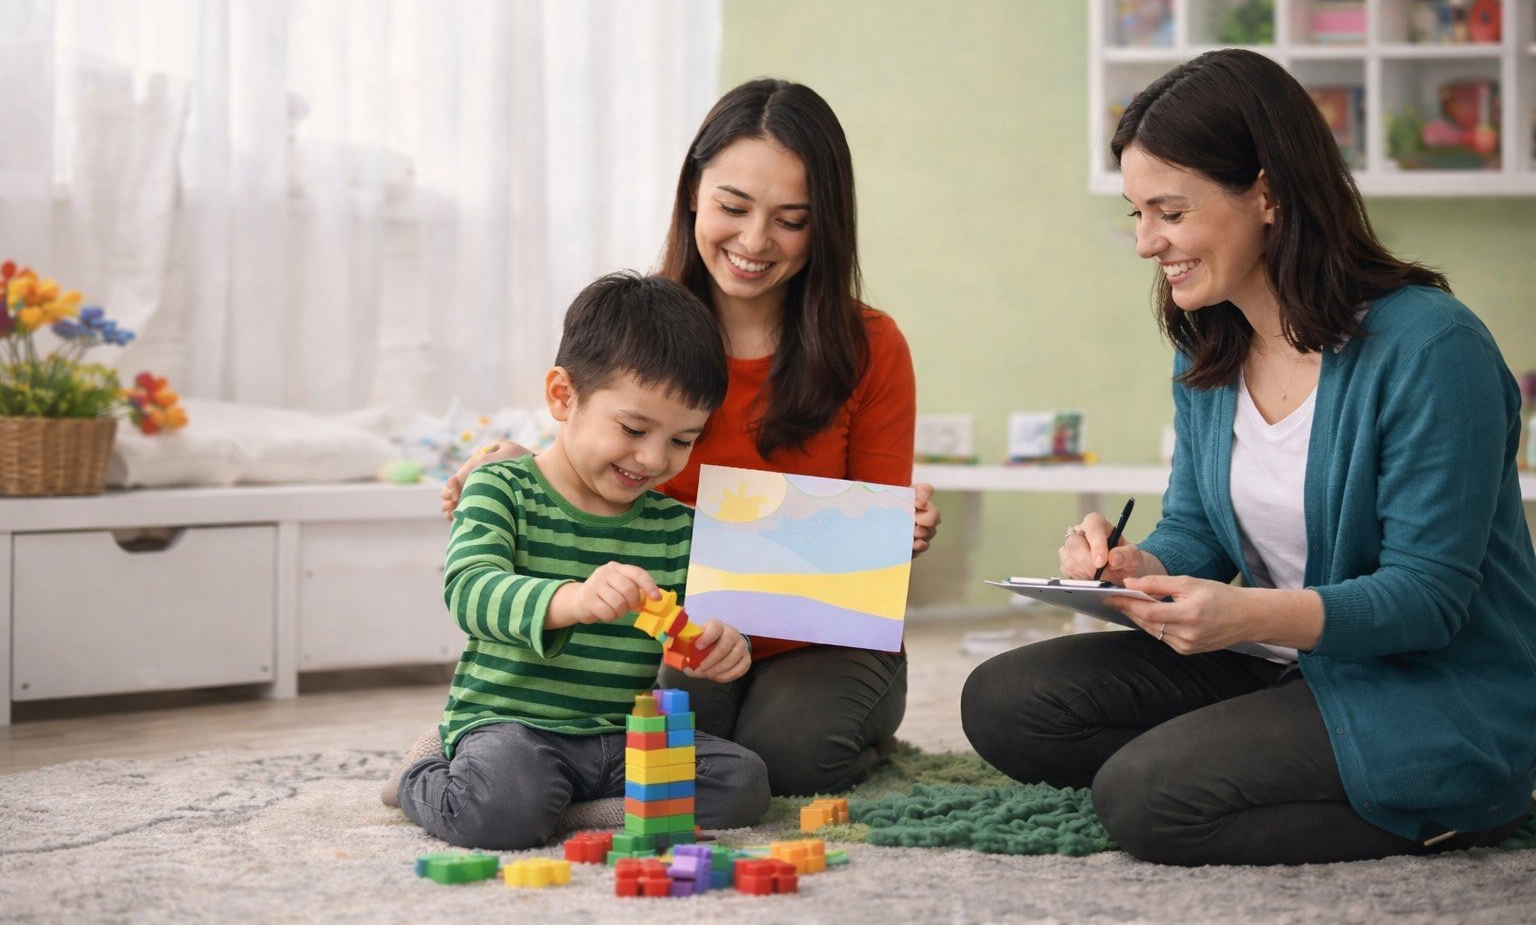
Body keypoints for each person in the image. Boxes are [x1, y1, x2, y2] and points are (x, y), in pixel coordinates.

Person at [961, 49, 1536, 867]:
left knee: (1147, 799)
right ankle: (1257, 751)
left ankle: (1463, 803)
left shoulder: (1433, 348)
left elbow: (1427, 601)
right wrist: (1134, 563)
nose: (1145, 243)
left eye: (1169, 211)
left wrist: (1244, 616)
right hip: (1277, 665)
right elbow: (1201, 528)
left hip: (1425, 688)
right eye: (1136, 213)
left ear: (1265, 193)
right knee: (1005, 702)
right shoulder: (1210, 336)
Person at [440, 79, 936, 796]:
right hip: (681, 637)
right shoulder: (649, 326)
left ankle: (859, 722)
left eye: (791, 219)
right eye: (734, 207)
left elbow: (871, 554)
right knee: (665, 746)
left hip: (819, 637)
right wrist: (525, 466)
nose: (755, 241)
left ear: (825, 224)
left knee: (789, 761)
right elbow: (599, 460)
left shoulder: (871, 346)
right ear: (693, 194)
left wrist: (900, 528)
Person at [389, 271, 770, 850]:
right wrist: (569, 599)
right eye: (635, 429)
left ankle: (566, 811)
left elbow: (693, 628)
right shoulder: (501, 486)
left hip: (623, 737)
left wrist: (724, 643)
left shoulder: (677, 527)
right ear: (564, 397)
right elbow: (468, 591)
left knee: (743, 784)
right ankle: (423, 769)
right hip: (513, 727)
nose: (652, 458)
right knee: (503, 808)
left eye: (681, 440)